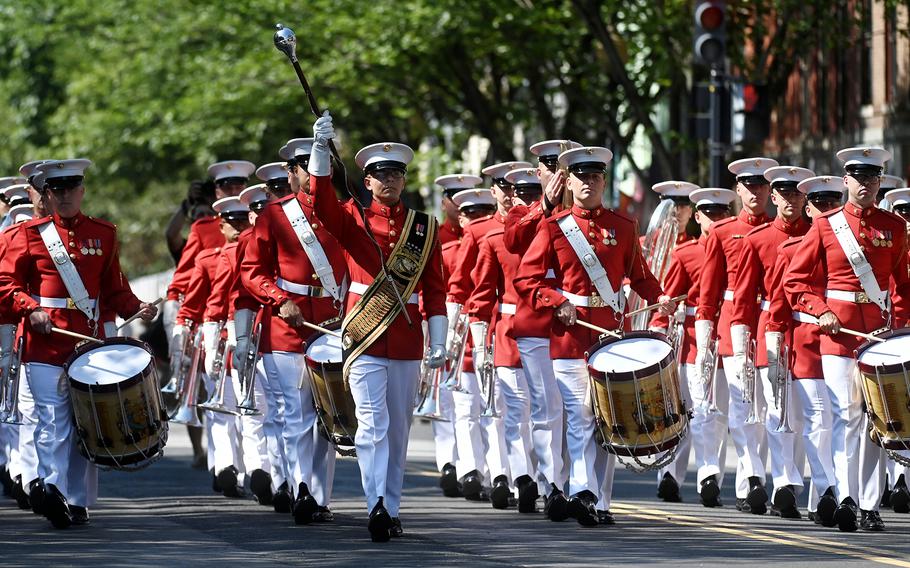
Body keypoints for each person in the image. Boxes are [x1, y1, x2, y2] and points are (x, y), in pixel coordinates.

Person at [516, 145, 675, 527]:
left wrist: (661, 298)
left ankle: (600, 501)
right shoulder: (554, 228)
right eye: (580, 177)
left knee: (608, 420)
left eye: (594, 176)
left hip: (611, 336)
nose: (588, 183)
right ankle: (584, 491)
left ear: (603, 180)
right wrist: (555, 301)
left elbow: (639, 275)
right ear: (567, 181)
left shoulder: (623, 226)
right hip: (570, 337)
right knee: (581, 416)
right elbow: (526, 278)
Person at [308, 111, 447, 542]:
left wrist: (438, 339)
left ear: (404, 180)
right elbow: (319, 204)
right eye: (379, 174)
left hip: (406, 339)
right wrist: (318, 150)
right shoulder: (352, 218)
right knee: (371, 425)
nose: (388, 180)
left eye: (396, 174)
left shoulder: (423, 227)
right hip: (366, 336)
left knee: (400, 428)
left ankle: (392, 502)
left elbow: (436, 289)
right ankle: (377, 506)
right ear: (366, 181)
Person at [0, 159, 157, 528]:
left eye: (72, 188)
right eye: (58, 190)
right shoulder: (29, 234)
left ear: (82, 191)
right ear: (48, 195)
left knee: (86, 421)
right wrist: (30, 308)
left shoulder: (104, 233)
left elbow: (116, 290)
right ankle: (53, 491)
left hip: (87, 342)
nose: (66, 195)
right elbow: (6, 284)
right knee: (52, 421)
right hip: (45, 342)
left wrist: (139, 308)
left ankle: (78, 498)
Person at [784, 146, 909, 532]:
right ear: (846, 181)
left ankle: (870, 504)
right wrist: (820, 310)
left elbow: (903, 285)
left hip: (880, 334)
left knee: (877, 418)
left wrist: (900, 328)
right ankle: (846, 498)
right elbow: (795, 280)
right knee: (845, 416)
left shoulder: (894, 226)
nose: (866, 184)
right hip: (838, 335)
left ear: (879, 182)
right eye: (858, 177)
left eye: (873, 178)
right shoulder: (826, 224)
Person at [241, 139, 347, 526]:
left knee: (328, 415)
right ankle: (303, 489)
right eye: (304, 167)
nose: (312, 173)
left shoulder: (343, 211)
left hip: (332, 322)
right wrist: (278, 298)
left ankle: (320, 495)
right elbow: (252, 272)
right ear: (292, 173)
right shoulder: (274, 215)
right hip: (287, 327)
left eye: (319, 166)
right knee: (297, 413)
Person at [696, 157, 777, 515]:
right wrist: (704, 340)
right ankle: (754, 478)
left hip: (771, 324)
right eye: (749, 185)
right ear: (738, 190)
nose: (756, 191)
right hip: (734, 326)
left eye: (762, 185)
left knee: (763, 409)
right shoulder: (722, 231)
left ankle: (748, 485)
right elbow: (708, 294)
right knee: (742, 406)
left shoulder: (778, 229)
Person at [730, 165, 812, 518]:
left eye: (797, 193)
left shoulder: (816, 234)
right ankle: (783, 483)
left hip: (808, 333)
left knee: (802, 414)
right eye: (784, 193)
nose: (791, 199)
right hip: (770, 332)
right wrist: (742, 345)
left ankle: (792, 481)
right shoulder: (757, 240)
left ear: (804, 197)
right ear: (773, 196)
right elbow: (745, 299)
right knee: (776, 411)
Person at [765, 175, 845, 527]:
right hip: (807, 343)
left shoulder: (849, 244)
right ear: (808, 207)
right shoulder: (790, 250)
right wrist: (773, 349)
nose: (826, 210)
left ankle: (823, 496)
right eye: (820, 204)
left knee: (840, 418)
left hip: (846, 341)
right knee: (816, 419)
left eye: (833, 204)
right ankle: (829, 487)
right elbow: (779, 305)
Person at [431, 173, 485, 498]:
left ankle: (471, 465)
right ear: (445, 202)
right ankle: (447, 462)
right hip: (444, 317)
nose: (461, 204)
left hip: (473, 322)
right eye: (456, 197)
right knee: (445, 397)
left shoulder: (481, 236)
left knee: (469, 399)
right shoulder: (435, 237)